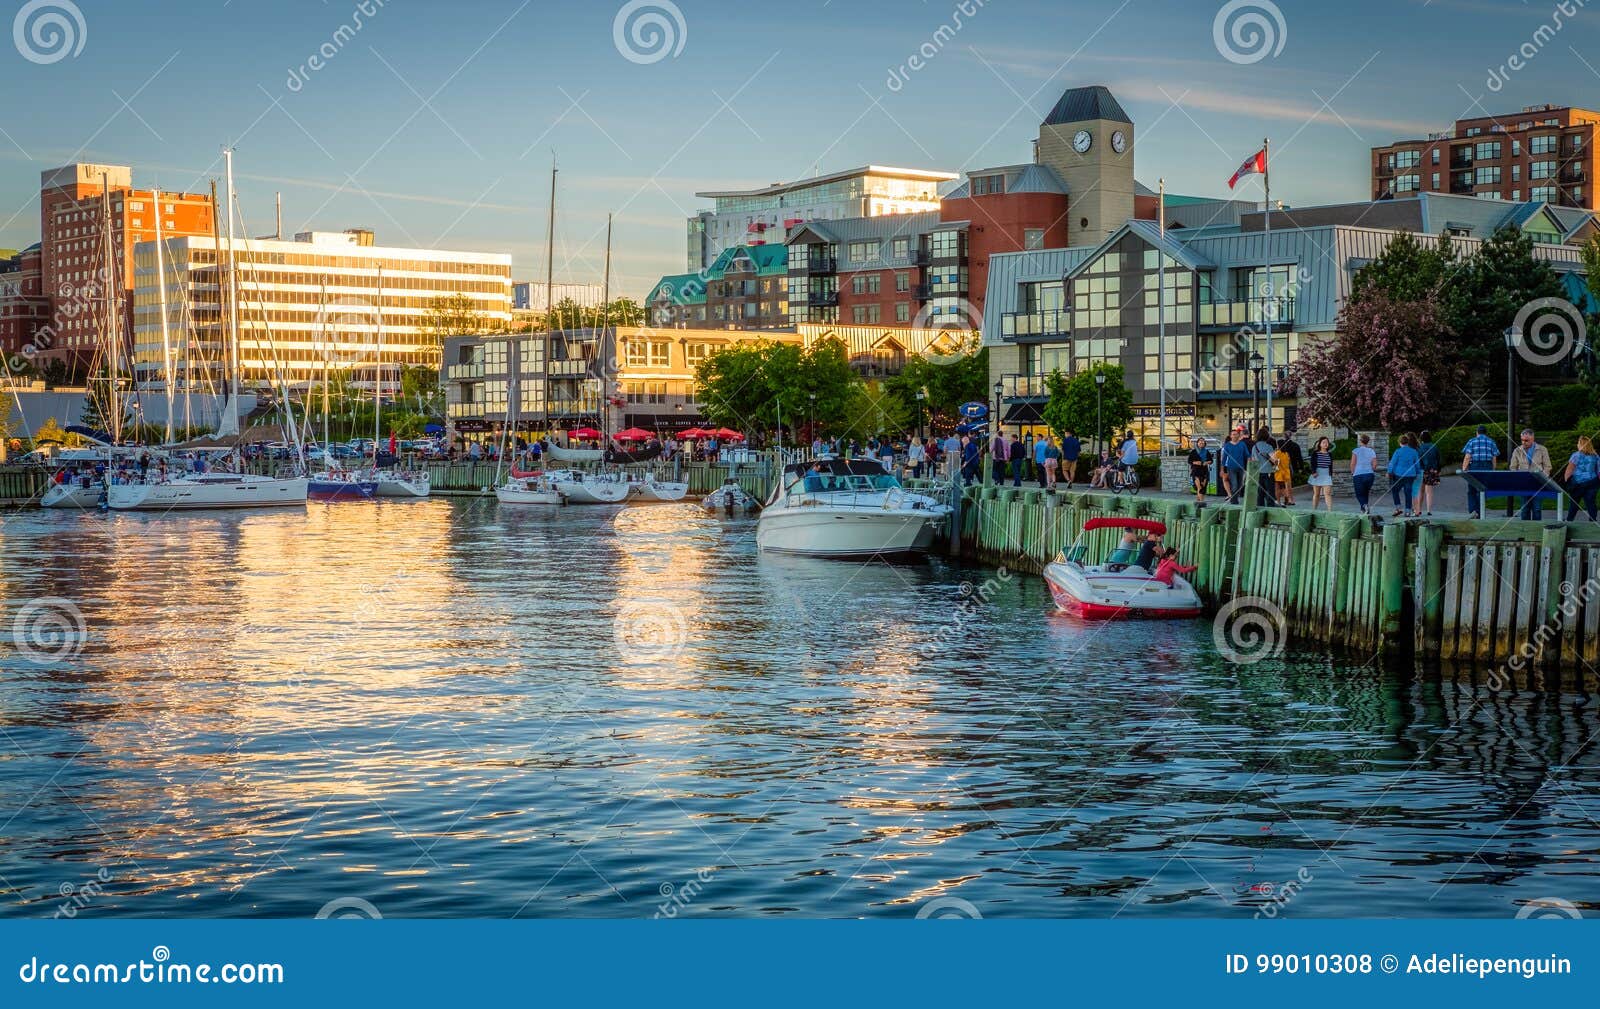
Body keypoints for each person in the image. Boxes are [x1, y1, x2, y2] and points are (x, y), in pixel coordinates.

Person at [1508, 428, 1552, 520]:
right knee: (1524, 509)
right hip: (1523, 484)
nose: (1524, 442)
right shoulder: (1517, 450)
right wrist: (1517, 478)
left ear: (1532, 439)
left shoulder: (1542, 449)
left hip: (1538, 483)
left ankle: (1537, 531)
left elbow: (1548, 466)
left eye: (1526, 440)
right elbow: (1512, 467)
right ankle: (1525, 532)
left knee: (1537, 509)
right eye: (1522, 440)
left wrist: (1543, 477)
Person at [1461, 424, 1500, 519]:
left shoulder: (1472, 441)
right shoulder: (1491, 442)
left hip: (1474, 466)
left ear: (1477, 432)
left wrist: (1464, 469)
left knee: (1472, 490)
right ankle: (1480, 511)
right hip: (1487, 466)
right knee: (1482, 489)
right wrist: (1493, 469)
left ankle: (1473, 511)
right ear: (1486, 433)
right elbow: (1494, 457)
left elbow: (1467, 456)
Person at [1564, 436, 1600, 522]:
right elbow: (1599, 471)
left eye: (1578, 443)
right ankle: (1593, 522)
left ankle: (1569, 521)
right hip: (1592, 482)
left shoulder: (1576, 455)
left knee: (1574, 504)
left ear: (1581, 444)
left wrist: (1567, 482)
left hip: (1577, 483)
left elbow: (1569, 469)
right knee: (1591, 503)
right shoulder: (1595, 456)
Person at [1387, 433, 1420, 517]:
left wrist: (1389, 472)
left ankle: (1398, 508)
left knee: (1395, 490)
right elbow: (1417, 464)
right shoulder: (1414, 451)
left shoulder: (1398, 451)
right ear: (1408, 442)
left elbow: (1392, 463)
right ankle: (1408, 511)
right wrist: (1418, 473)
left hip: (1399, 474)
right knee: (1408, 492)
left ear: (1399, 442)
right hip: (1411, 475)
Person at [1351, 433, 1377, 515]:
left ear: (1360, 441)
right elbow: (1375, 464)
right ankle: (1364, 509)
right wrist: (1370, 470)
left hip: (1358, 474)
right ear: (1368, 442)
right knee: (1366, 492)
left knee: (1359, 493)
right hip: (1369, 474)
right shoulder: (1372, 451)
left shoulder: (1356, 450)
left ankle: (1364, 505)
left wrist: (1353, 473)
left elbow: (1352, 463)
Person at [1222, 428, 1249, 505]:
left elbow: (1247, 454)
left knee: (1240, 485)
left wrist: (1251, 459)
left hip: (1241, 467)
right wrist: (1222, 469)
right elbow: (1224, 458)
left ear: (1238, 435)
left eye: (1236, 434)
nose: (1234, 436)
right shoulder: (1227, 445)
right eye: (1233, 434)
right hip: (1231, 467)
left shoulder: (1242, 444)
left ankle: (1234, 499)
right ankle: (1234, 501)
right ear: (1230, 436)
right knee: (1234, 485)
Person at [1417, 429, 1441, 517]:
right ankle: (1429, 510)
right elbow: (1438, 459)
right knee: (1429, 492)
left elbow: (1418, 460)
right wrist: (1438, 470)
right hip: (1432, 471)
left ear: (1421, 438)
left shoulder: (1419, 448)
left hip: (1421, 470)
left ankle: (1418, 510)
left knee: (1420, 491)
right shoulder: (1434, 447)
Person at [1308, 436, 1335, 511]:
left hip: (1326, 474)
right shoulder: (1315, 453)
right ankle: (1314, 510)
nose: (1326, 444)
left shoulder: (1329, 454)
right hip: (1317, 474)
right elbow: (1312, 463)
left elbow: (1330, 465)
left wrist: (1331, 474)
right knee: (1317, 494)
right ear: (1320, 444)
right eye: (1324, 442)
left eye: (1327, 442)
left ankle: (1330, 511)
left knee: (1328, 493)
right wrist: (1313, 472)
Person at [1252, 427, 1277, 507]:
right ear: (1267, 436)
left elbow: (1253, 460)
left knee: (1260, 492)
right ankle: (1270, 509)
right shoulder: (1269, 447)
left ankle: (1260, 508)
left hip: (1258, 472)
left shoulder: (1254, 447)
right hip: (1268, 472)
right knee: (1270, 492)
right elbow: (1274, 460)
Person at [1187, 437, 1214, 505]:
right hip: (1196, 471)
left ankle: (1198, 502)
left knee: (1203, 487)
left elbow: (1211, 461)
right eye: (1200, 442)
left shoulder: (1206, 451)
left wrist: (1206, 462)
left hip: (1204, 471)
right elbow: (1189, 461)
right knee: (1199, 487)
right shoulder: (1193, 451)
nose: (1201, 443)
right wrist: (1196, 462)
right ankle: (1202, 502)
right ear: (1197, 443)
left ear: (1205, 443)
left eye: (1203, 442)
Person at [1272, 436, 1295, 506]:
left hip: (1279, 472)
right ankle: (1289, 500)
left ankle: (1278, 501)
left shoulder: (1277, 453)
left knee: (1277, 488)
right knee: (1286, 487)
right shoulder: (1286, 453)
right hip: (1286, 472)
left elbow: (1274, 462)